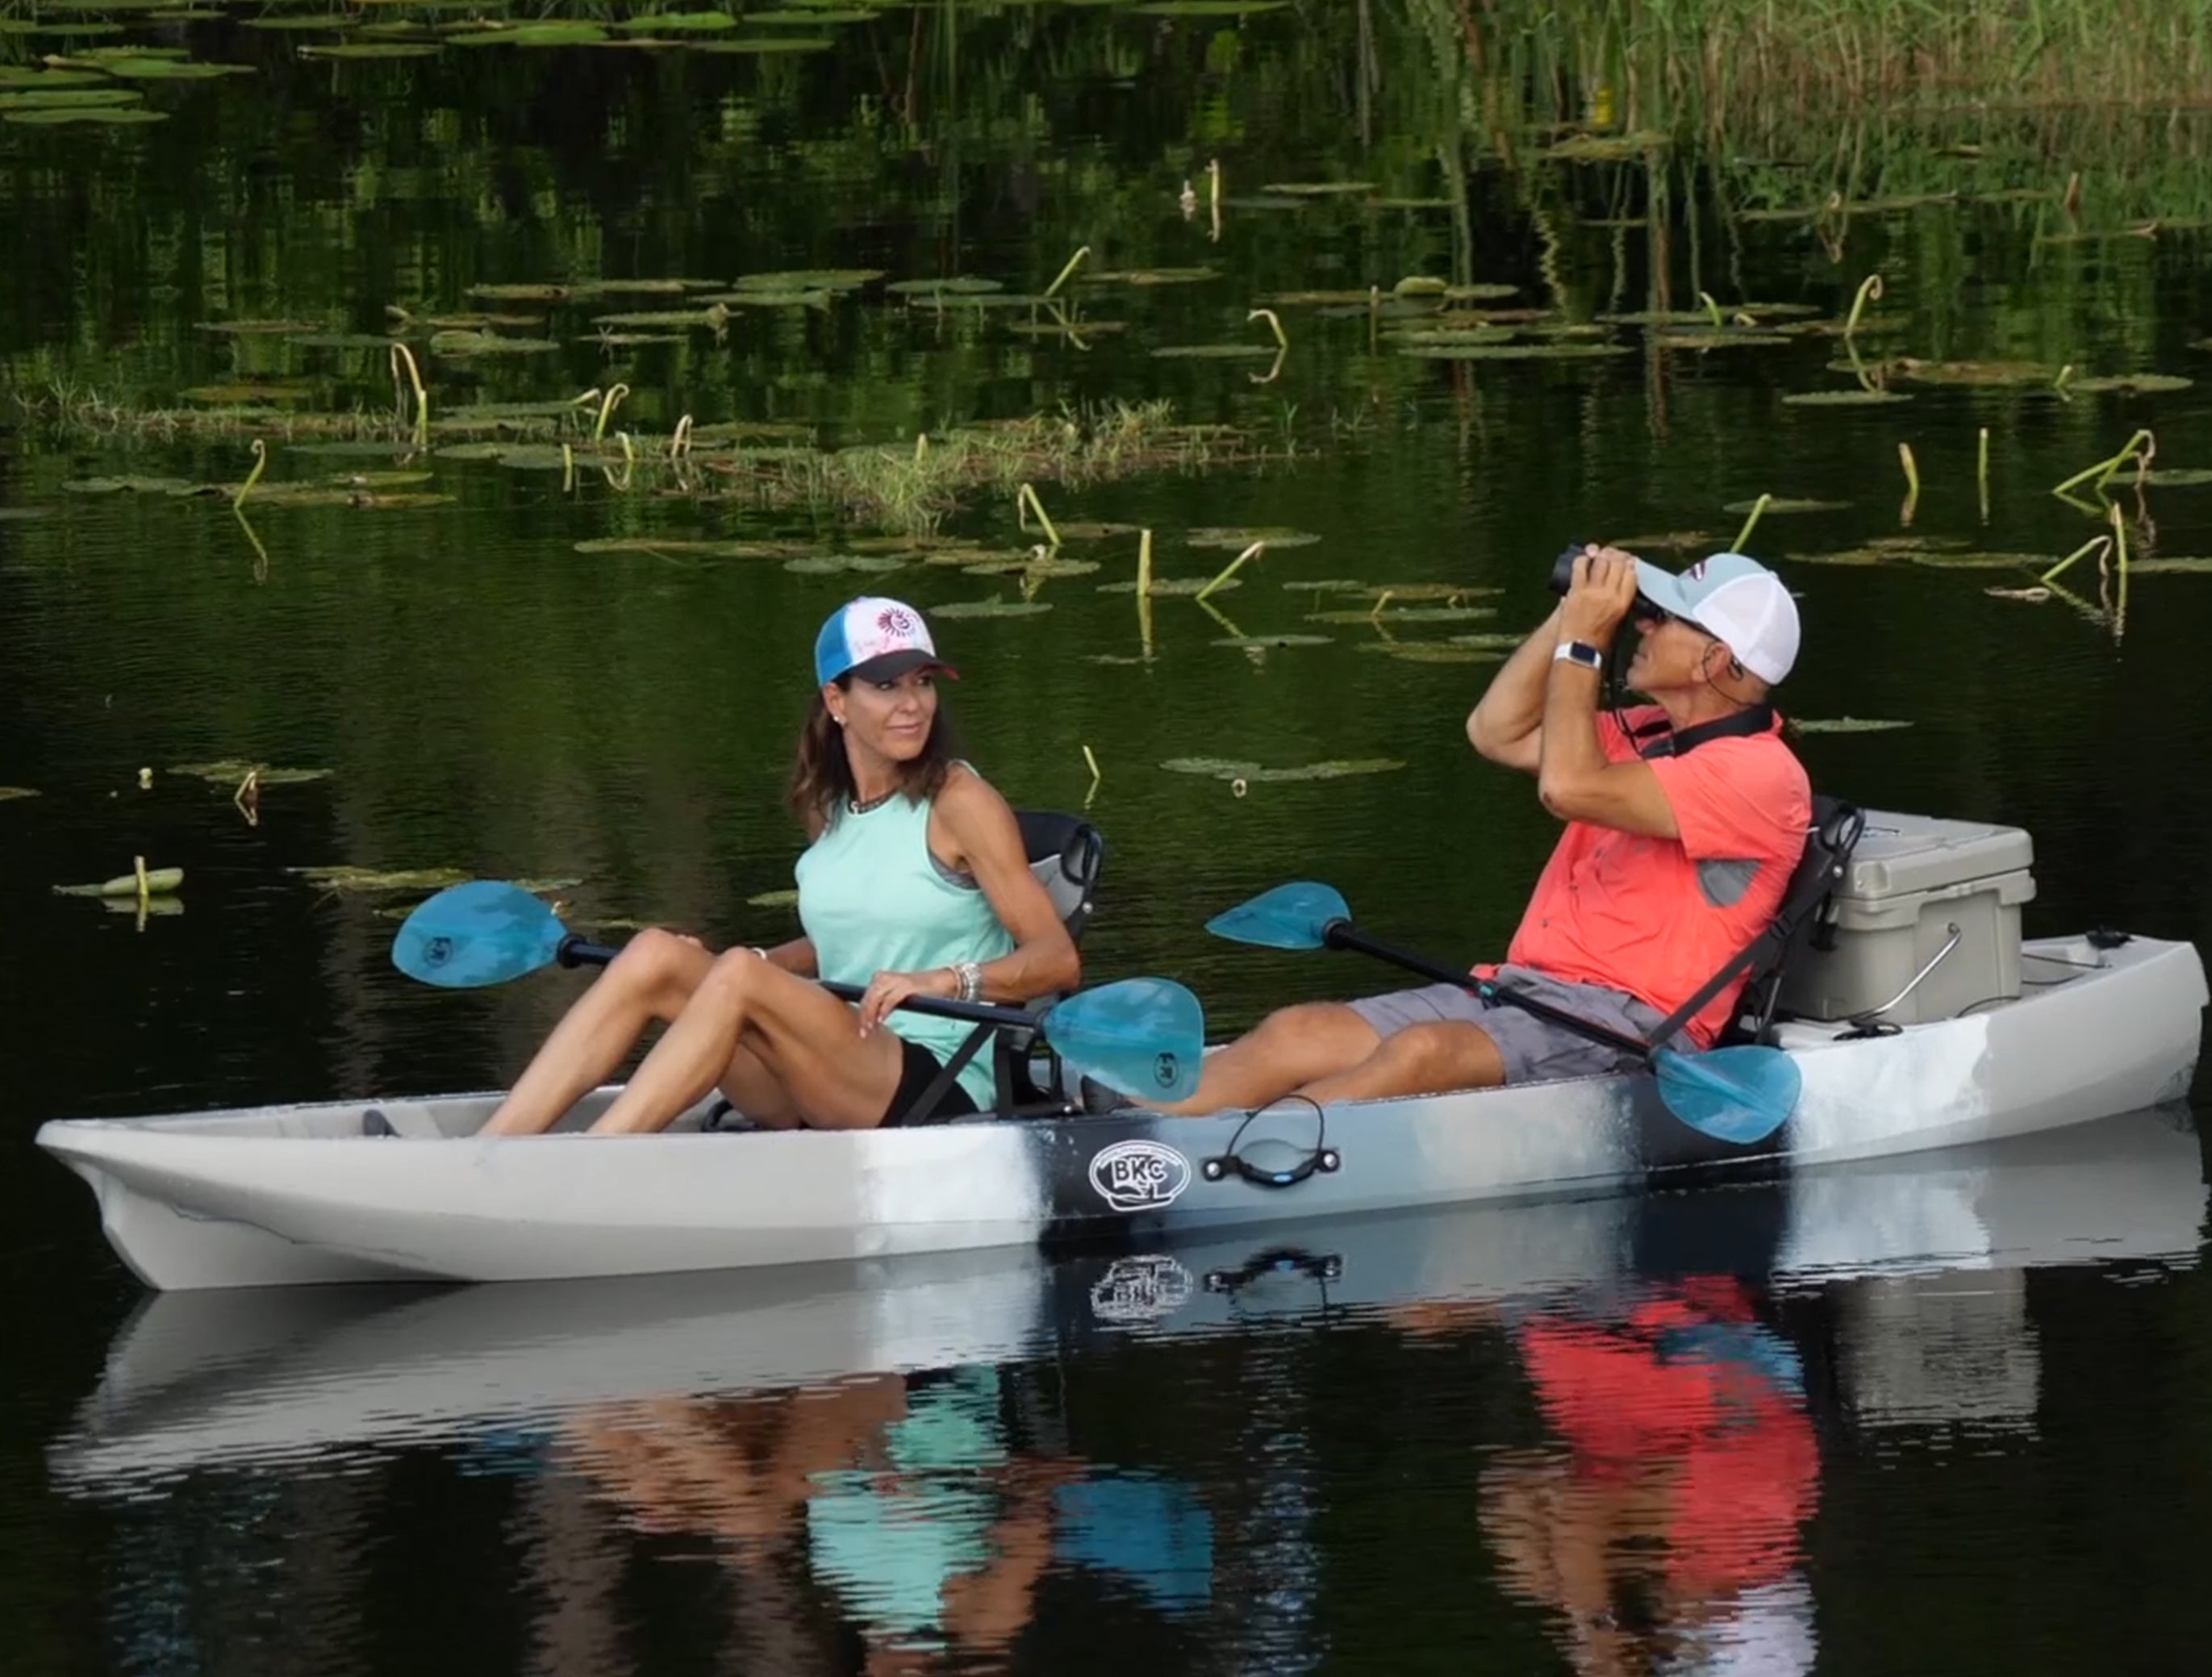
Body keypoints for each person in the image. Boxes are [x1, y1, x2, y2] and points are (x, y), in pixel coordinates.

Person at [1143, 545, 1809, 1116]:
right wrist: (1567, 615)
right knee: (1297, 1031)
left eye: (1663, 618)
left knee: (1424, 1052)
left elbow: (1566, 786)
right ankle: (1131, 1132)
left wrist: (1585, 640)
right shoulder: (1647, 733)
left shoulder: (1759, 775)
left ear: (1717, 661)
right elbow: (1497, 732)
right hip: (1520, 993)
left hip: (1631, 1026)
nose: (1643, 622)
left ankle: (1238, 1158)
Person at [482, 596, 1079, 1137]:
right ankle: (489, 1153)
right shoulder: (829, 808)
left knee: (738, 973)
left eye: (923, 682)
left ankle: (592, 1163)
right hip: (827, 1064)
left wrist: (941, 980)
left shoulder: (959, 801)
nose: (912, 704)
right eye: (887, 685)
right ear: (836, 700)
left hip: (933, 1077)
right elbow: (846, 936)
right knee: (657, 954)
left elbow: (1056, 959)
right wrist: (752, 965)